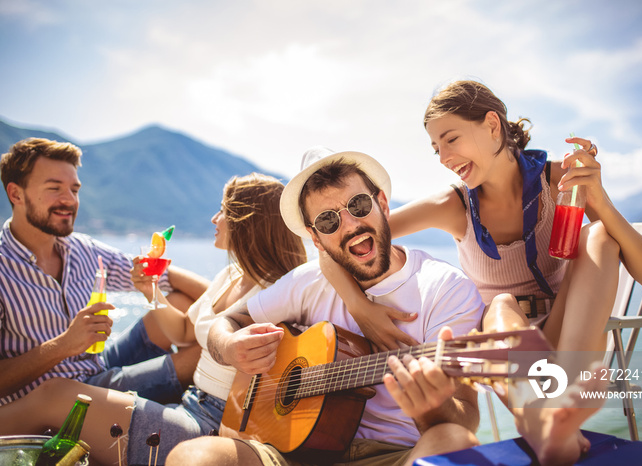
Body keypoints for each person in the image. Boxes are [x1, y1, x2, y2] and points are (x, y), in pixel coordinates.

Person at [320, 80, 642, 464]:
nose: (443, 157)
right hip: (505, 354)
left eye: (451, 139)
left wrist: (598, 200)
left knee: (600, 235)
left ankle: (560, 410)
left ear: (492, 125)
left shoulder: (561, 182)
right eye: (436, 148)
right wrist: (359, 307)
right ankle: (549, 419)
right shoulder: (451, 205)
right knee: (501, 305)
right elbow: (335, 243)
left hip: (569, 339)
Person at [166, 147, 488, 466]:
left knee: (454, 441)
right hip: (288, 451)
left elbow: (465, 416)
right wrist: (230, 345)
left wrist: (433, 410)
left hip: (395, 455)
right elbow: (230, 321)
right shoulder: (306, 282)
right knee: (190, 456)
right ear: (315, 239)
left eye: (358, 205)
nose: (350, 225)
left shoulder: (446, 289)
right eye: (328, 221)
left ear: (383, 204)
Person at [0, 173, 308, 465]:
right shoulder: (230, 275)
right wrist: (151, 292)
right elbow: (184, 331)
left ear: (247, 223)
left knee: (55, 395)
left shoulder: (277, 293)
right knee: (58, 396)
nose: (215, 219)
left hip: (212, 425)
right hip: (188, 404)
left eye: (223, 211)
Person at [0, 137, 210, 406]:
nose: (69, 200)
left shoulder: (82, 249)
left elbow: (160, 276)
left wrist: (236, 305)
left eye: (74, 190)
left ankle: (175, 397)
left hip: (96, 366)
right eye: (54, 188)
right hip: (55, 400)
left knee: (183, 302)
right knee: (204, 353)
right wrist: (64, 345)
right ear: (16, 194)